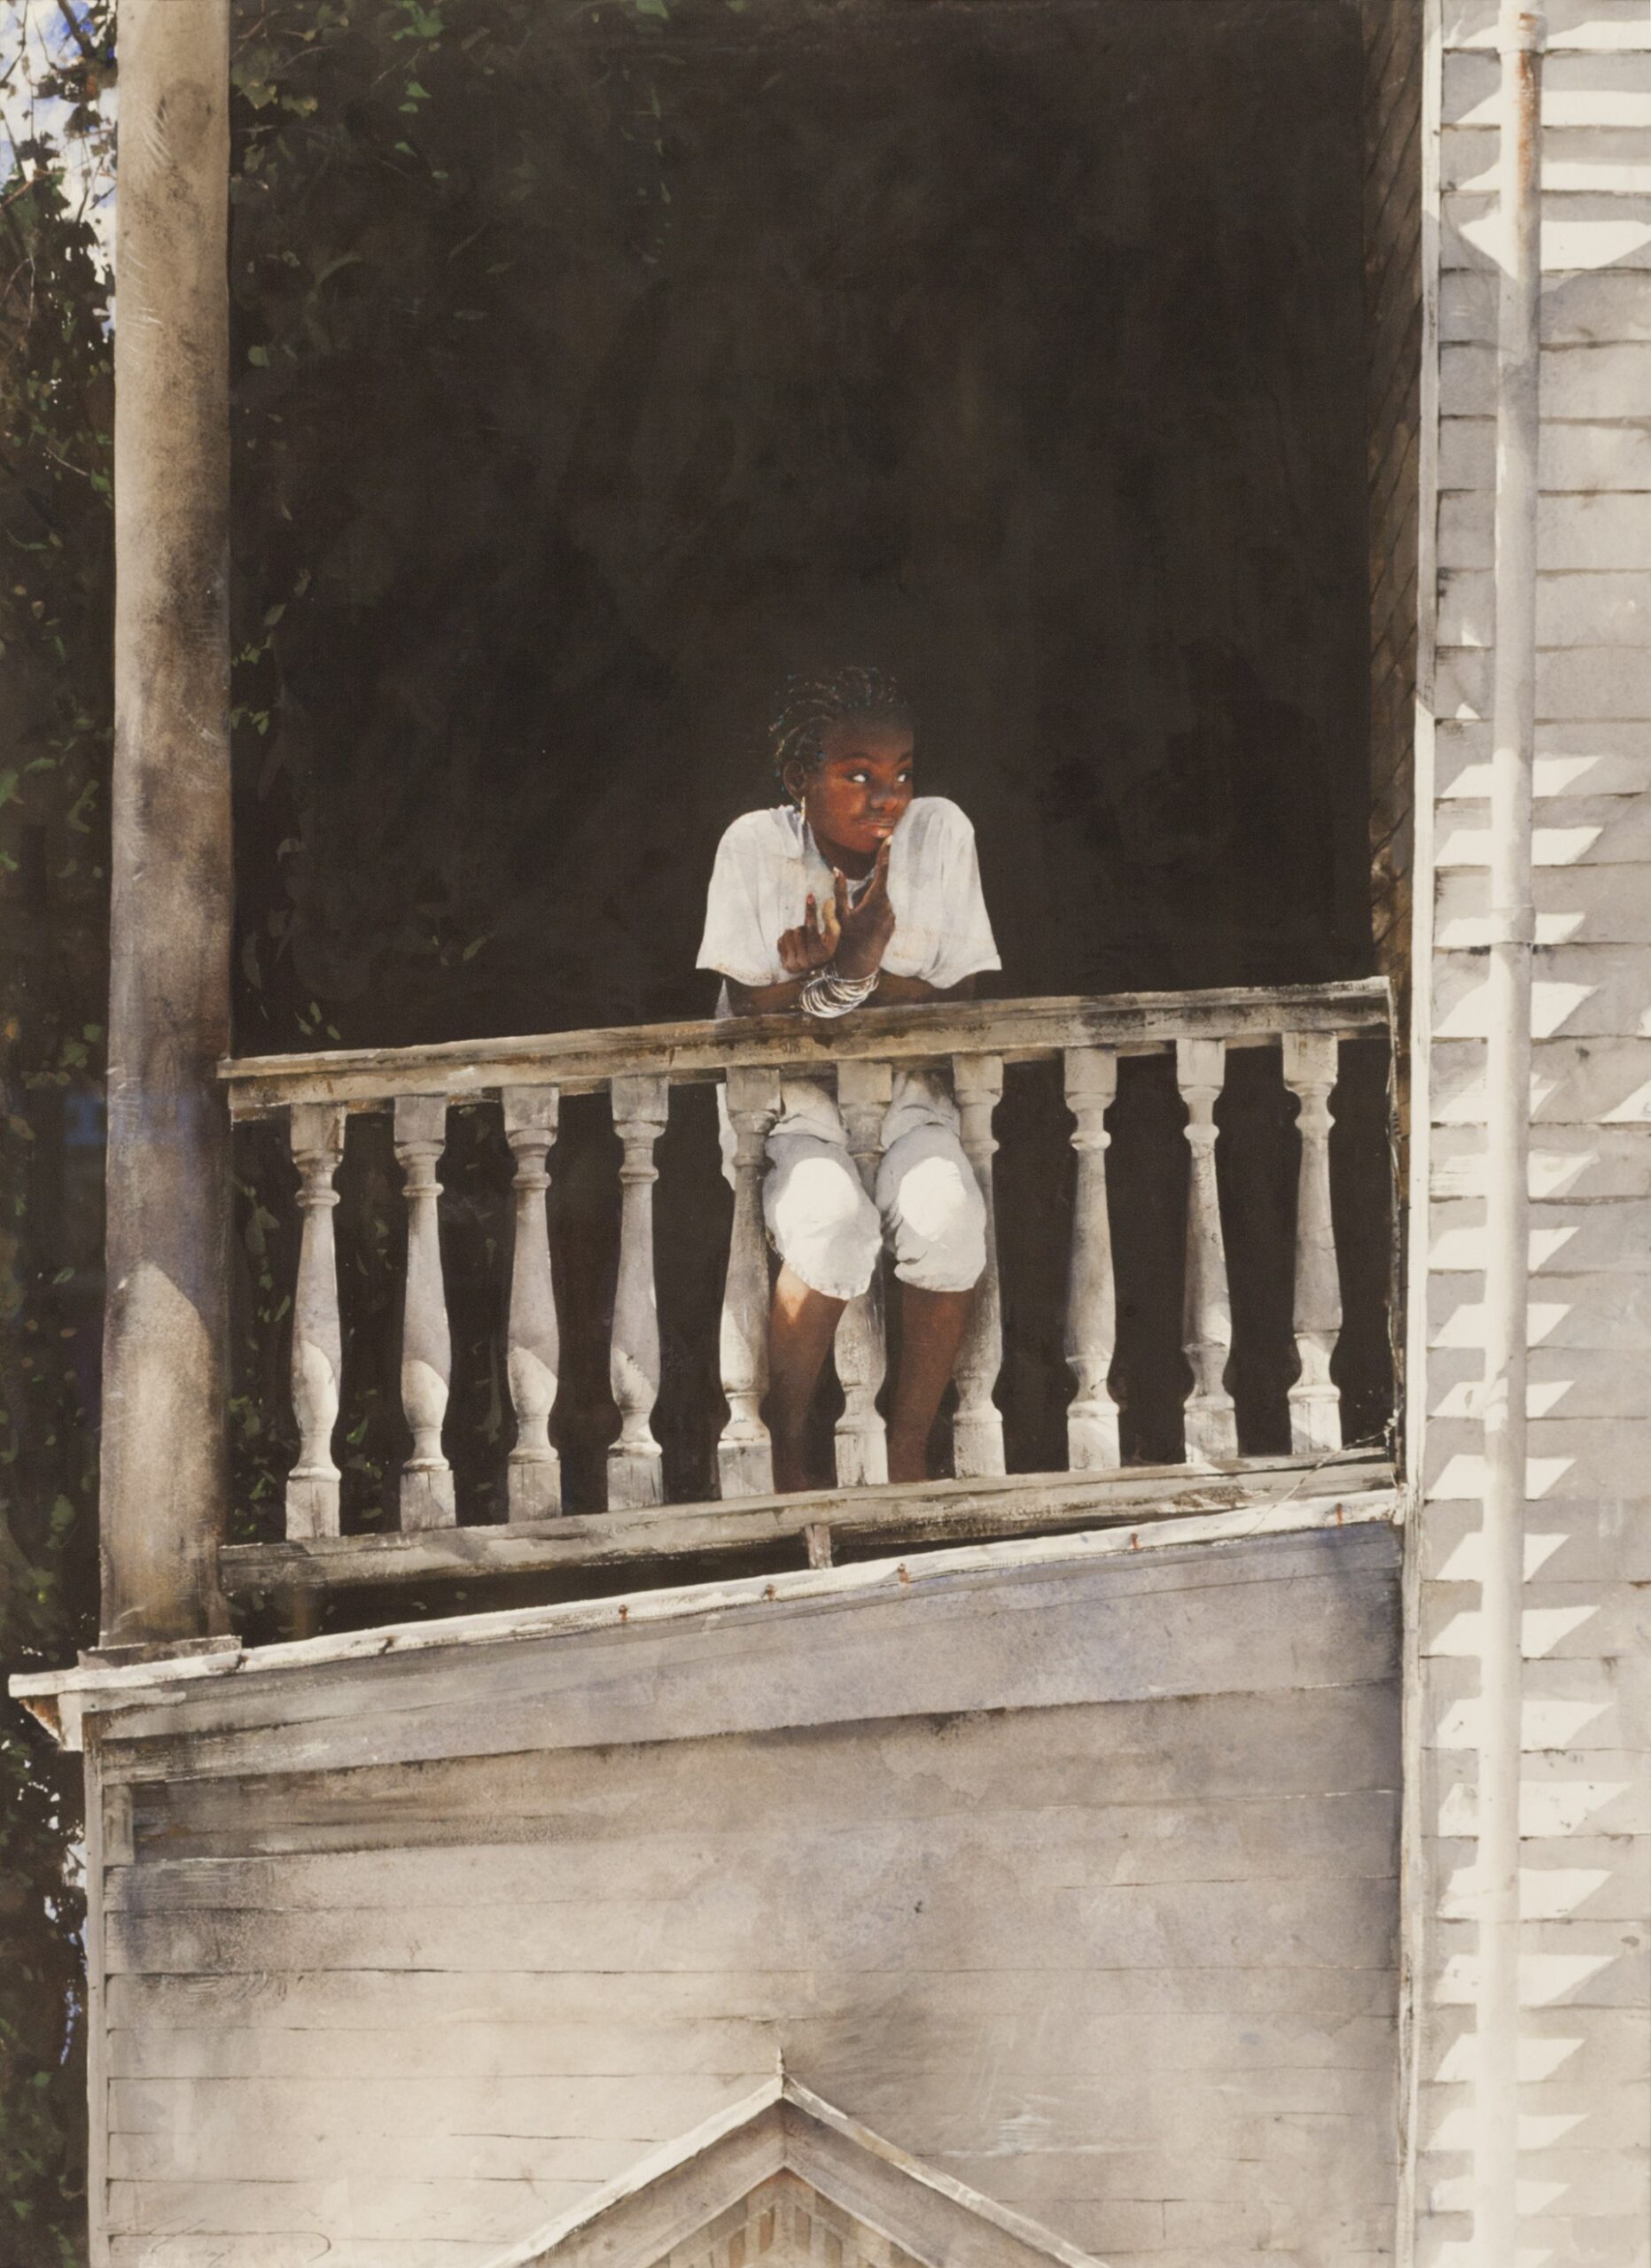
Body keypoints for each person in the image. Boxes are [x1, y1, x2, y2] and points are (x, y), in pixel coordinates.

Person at [696, 668, 1001, 1491]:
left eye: (902, 773)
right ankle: (791, 1437)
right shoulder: (753, 846)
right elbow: (755, 1003)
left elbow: (960, 994)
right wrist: (851, 975)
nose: (886, 797)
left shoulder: (940, 835)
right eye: (856, 775)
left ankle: (906, 1443)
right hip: (793, 1107)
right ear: (799, 777)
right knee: (830, 1227)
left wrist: (845, 973)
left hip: (910, 1098)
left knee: (949, 1223)